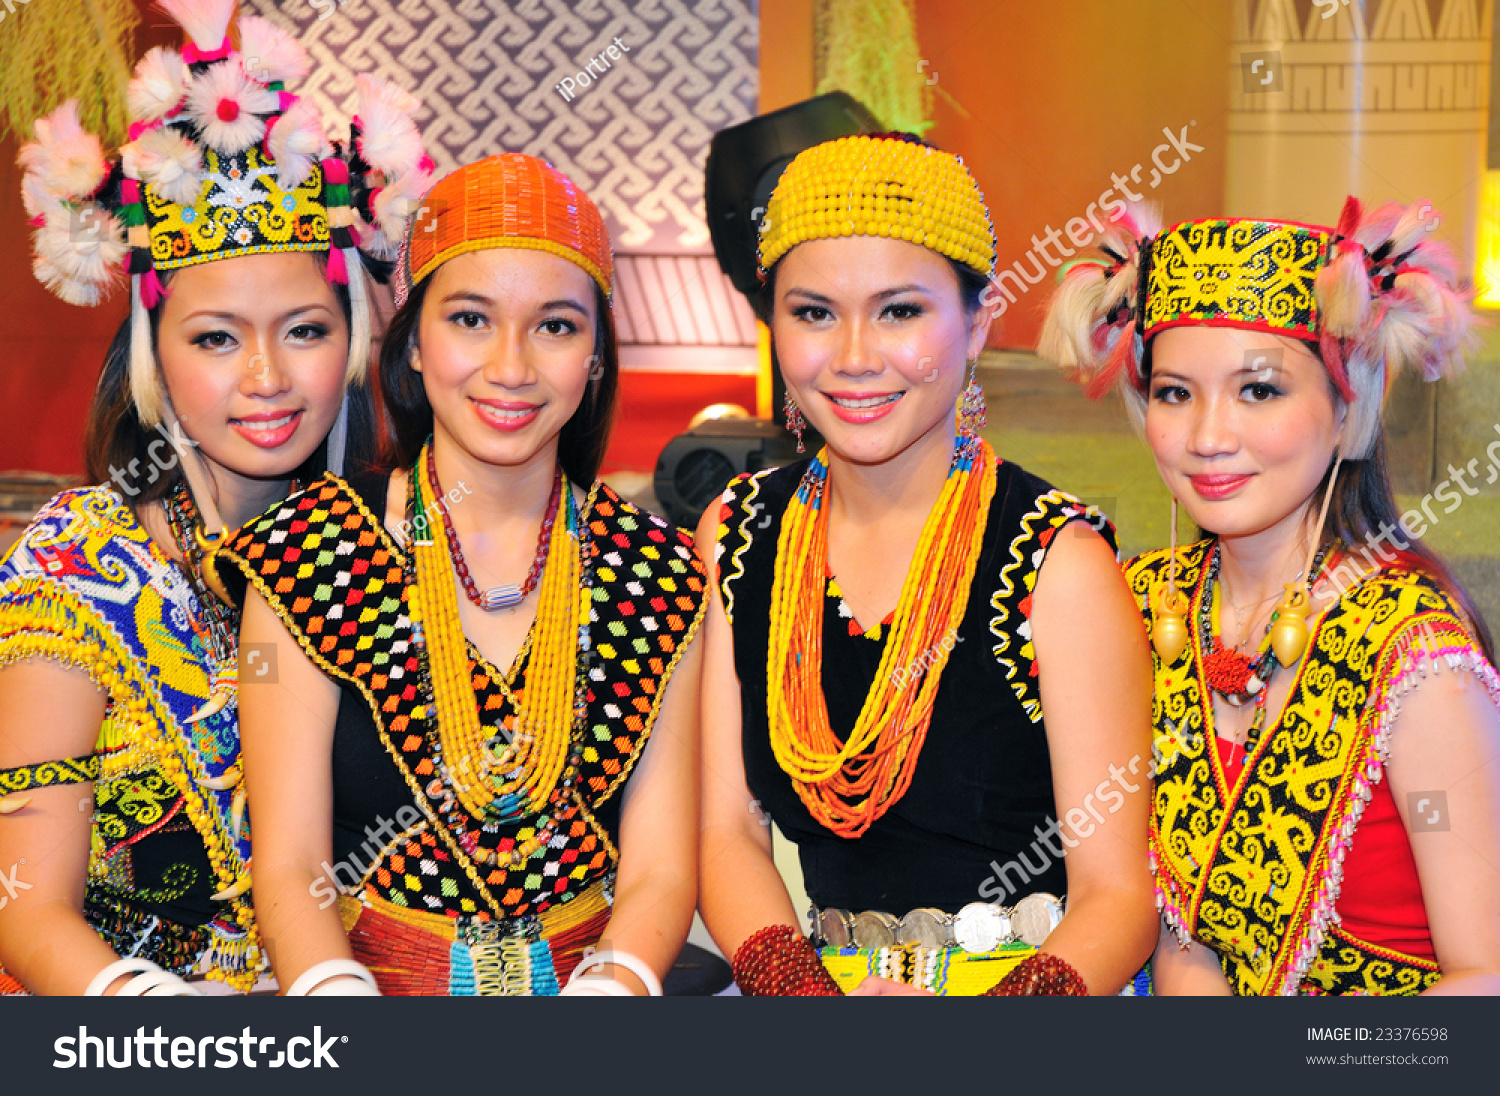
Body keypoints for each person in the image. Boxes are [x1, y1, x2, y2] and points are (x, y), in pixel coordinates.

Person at [0, 0, 429, 995]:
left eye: (306, 331)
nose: (267, 377)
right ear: (156, 352)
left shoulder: (408, 541)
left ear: (356, 339)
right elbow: (27, 901)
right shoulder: (81, 563)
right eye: (217, 338)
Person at [221, 153, 705, 997]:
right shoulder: (307, 549)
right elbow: (292, 862)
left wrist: (612, 987)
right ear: (411, 345)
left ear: (596, 357)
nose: (511, 367)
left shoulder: (660, 571)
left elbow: (661, 870)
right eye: (471, 320)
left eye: (557, 326)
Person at [697, 133, 1157, 996]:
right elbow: (725, 830)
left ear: (977, 323)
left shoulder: (1058, 560)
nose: (855, 355)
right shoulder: (739, 529)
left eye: (900, 311)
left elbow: (1119, 894)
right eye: (813, 312)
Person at [1039, 199, 1500, 995]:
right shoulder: (1144, 605)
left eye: (1258, 391)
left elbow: (1485, 979)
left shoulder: (1415, 651)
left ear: (1346, 403)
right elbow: (1181, 941)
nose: (1209, 435)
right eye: (1176, 393)